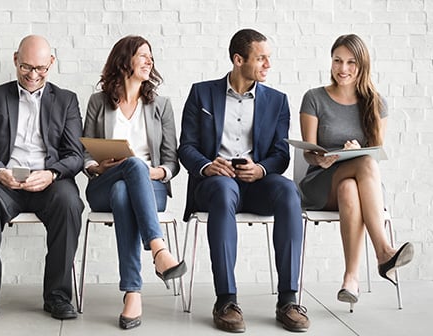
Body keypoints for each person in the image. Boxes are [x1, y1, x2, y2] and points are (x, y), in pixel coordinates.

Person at [178, 28, 309, 333]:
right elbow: (186, 146)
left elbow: (280, 154)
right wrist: (207, 165)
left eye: (268, 58)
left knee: (289, 191)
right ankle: (226, 300)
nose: (268, 65)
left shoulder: (278, 101)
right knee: (224, 191)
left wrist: (261, 169)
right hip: (215, 183)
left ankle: (288, 299)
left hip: (257, 182)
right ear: (239, 60)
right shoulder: (202, 93)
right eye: (261, 58)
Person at [0, 35, 84, 321]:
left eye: (41, 69)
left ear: (52, 63)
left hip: (49, 180)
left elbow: (76, 154)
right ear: (15, 60)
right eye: (26, 68)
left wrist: (52, 173)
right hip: (5, 180)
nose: (33, 75)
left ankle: (57, 296)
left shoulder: (66, 100)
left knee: (71, 203)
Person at [298, 34, 413, 312]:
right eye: (338, 60)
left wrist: (360, 148)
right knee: (362, 166)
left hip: (360, 187)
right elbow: (308, 152)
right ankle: (384, 252)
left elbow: (376, 153)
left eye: (351, 62)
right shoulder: (314, 98)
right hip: (320, 183)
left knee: (351, 185)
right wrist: (321, 159)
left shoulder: (375, 103)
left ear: (362, 65)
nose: (343, 68)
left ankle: (351, 279)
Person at [82, 35, 186, 330]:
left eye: (151, 56)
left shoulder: (161, 106)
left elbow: (170, 162)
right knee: (125, 174)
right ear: (124, 60)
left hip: (150, 187)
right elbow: (84, 154)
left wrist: (154, 172)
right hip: (104, 180)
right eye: (142, 55)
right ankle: (158, 250)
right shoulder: (98, 102)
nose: (149, 61)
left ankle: (133, 292)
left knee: (125, 188)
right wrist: (97, 166)